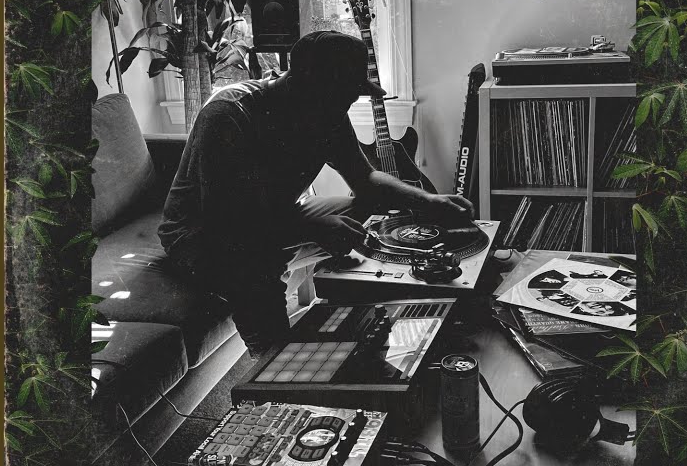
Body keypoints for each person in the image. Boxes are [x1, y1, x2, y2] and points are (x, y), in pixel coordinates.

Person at [158, 30, 474, 351]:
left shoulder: (327, 109)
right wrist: (313, 228)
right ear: (306, 84)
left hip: (274, 215)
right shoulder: (228, 115)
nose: (350, 102)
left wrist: (428, 201)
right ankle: (272, 356)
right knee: (255, 266)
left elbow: (366, 178)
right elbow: (230, 221)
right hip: (203, 234)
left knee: (370, 209)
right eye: (345, 94)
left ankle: (368, 304)